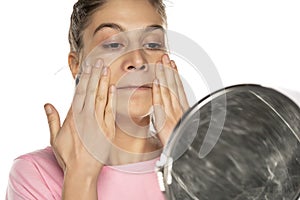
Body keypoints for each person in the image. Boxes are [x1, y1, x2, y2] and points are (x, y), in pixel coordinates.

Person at [6, 0, 189, 199]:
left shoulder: (208, 159)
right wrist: (80, 174)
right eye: (113, 44)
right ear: (77, 65)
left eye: (153, 44)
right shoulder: (35, 174)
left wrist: (189, 160)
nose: (138, 61)